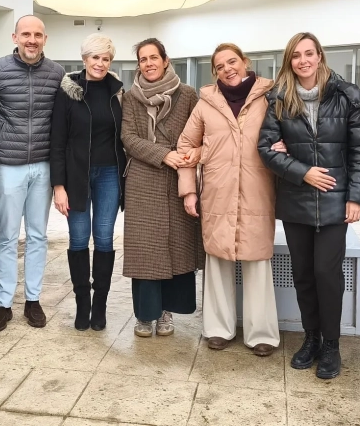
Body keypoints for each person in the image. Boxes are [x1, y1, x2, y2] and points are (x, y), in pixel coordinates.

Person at [257, 31, 360, 380]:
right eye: (296, 55)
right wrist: (303, 171)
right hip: (296, 201)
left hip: (336, 200)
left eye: (309, 53)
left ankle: (332, 345)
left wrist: (356, 197)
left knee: (326, 272)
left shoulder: (346, 96)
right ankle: (311, 339)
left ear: (319, 56)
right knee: (304, 273)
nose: (303, 60)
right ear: (289, 61)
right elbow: (265, 149)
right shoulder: (279, 99)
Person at [177, 43, 279, 357]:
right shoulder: (206, 103)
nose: (227, 69)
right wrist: (189, 190)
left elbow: (287, 132)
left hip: (257, 191)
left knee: (257, 261)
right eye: (220, 66)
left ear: (245, 62)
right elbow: (186, 145)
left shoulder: (269, 97)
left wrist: (287, 146)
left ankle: (262, 334)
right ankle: (218, 329)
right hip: (217, 193)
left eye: (232, 62)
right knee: (218, 260)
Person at [0, 15, 65, 332]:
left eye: (37, 35)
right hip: (8, 166)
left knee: (38, 236)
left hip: (43, 164)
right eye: (26, 34)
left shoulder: (57, 73)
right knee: (7, 236)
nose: (32, 40)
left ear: (45, 39)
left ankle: (32, 300)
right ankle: (3, 304)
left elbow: (62, 120)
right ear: (15, 37)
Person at [121, 38, 203, 338]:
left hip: (179, 177)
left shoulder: (187, 94)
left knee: (176, 246)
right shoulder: (130, 97)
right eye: (143, 59)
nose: (149, 64)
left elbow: (200, 131)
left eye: (153, 57)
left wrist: (191, 154)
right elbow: (128, 137)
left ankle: (168, 309)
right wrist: (162, 154)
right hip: (142, 179)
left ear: (165, 60)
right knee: (146, 250)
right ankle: (145, 315)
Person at [50, 33, 126, 331]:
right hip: (76, 176)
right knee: (79, 238)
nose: (100, 63)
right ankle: (83, 303)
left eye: (106, 58)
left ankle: (100, 305)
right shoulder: (68, 91)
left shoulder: (117, 92)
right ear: (84, 59)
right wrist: (58, 186)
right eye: (95, 57)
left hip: (109, 174)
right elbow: (57, 141)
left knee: (104, 238)